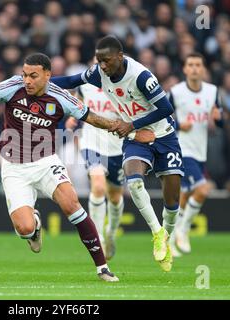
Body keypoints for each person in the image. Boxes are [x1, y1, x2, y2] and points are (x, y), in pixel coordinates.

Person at [0, 52, 154, 282]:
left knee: (73, 206)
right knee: (24, 227)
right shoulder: (12, 87)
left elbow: (94, 119)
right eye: (25, 74)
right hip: (14, 168)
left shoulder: (62, 97)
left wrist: (131, 130)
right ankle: (34, 228)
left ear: (48, 75)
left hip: (45, 162)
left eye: (33, 76)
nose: (27, 80)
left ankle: (102, 268)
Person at [51, 36, 185, 272]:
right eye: (99, 61)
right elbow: (72, 80)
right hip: (133, 139)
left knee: (172, 200)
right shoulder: (98, 73)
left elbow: (166, 108)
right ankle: (156, 233)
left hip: (163, 136)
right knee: (133, 183)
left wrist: (132, 125)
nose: (102, 66)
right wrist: (44, 83)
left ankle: (168, 234)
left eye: (107, 61)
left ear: (120, 57)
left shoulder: (141, 76)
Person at [64, 78, 125, 261]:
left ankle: (111, 233)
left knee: (115, 196)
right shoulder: (85, 85)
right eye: (98, 61)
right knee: (98, 186)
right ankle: (98, 238)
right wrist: (73, 118)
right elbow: (77, 102)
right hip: (92, 143)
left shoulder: (125, 84)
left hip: (118, 147)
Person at [168, 53, 223, 256]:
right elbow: (160, 118)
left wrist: (218, 120)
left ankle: (171, 238)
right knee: (202, 189)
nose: (194, 68)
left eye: (198, 65)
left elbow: (221, 122)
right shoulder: (175, 92)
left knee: (183, 197)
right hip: (182, 150)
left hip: (200, 152)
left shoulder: (212, 92)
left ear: (203, 69)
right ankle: (183, 230)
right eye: (190, 64)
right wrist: (179, 125)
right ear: (184, 69)